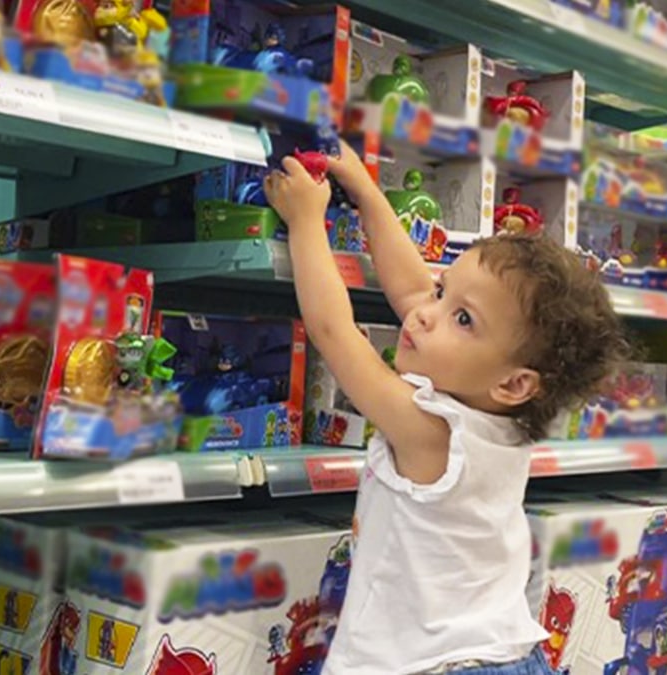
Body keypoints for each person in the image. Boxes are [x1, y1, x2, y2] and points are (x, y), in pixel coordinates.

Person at [263, 140, 629, 675]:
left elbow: (333, 332)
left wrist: (305, 222)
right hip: (502, 653)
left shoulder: (434, 433)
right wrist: (366, 190)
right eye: (444, 290)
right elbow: (412, 290)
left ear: (514, 383)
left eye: (463, 319)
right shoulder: (498, 423)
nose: (426, 314)